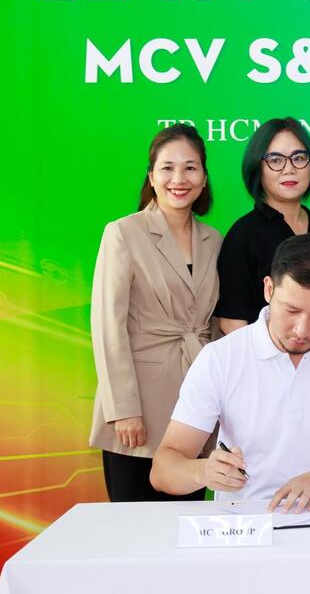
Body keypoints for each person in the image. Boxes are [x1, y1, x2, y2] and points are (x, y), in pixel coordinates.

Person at [151, 235, 310, 509]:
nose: (302, 330)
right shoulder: (221, 358)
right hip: (247, 521)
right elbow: (163, 471)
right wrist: (203, 472)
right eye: (291, 310)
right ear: (269, 289)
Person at [88, 124, 221, 502]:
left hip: (194, 406)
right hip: (140, 407)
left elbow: (215, 324)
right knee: (134, 524)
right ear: (151, 177)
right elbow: (108, 325)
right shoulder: (123, 232)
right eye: (167, 168)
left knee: (185, 519)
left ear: (204, 177)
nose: (179, 179)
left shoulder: (214, 240)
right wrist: (123, 409)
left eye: (190, 168)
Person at [215, 118, 310, 334]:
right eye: (275, 160)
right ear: (257, 167)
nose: (289, 169)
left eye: (299, 158)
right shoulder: (243, 235)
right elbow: (232, 323)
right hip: (262, 354)